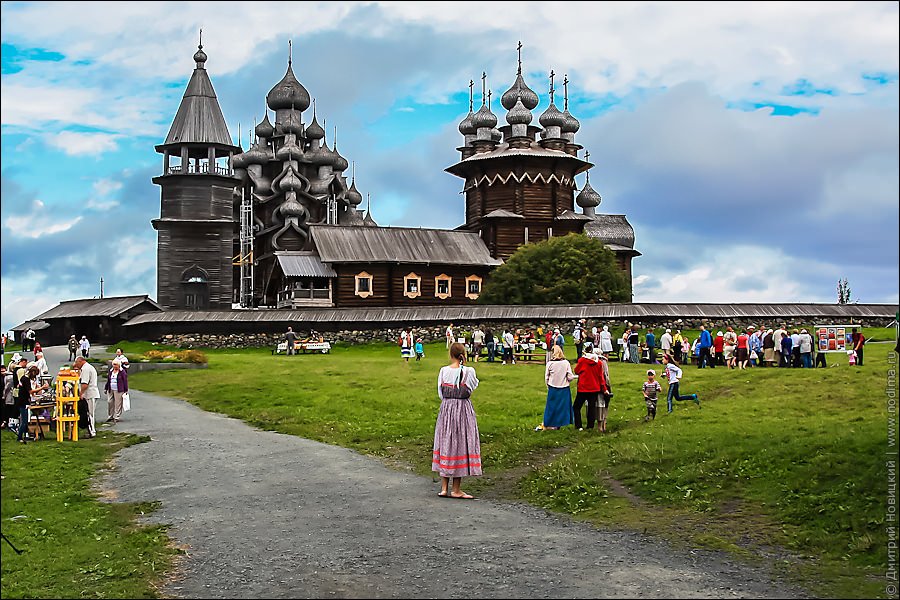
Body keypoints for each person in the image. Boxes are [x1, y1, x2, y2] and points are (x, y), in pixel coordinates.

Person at [432, 342, 481, 499]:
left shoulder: (443, 371)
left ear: (450, 354)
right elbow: (472, 388)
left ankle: (444, 488)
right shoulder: (469, 371)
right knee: (459, 444)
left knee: (446, 442)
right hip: (462, 410)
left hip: (446, 409)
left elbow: (440, 393)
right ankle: (456, 489)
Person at [538, 345, 576, 430]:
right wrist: (568, 380)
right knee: (563, 407)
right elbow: (570, 376)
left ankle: (549, 423)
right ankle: (560, 423)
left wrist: (548, 385)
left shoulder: (550, 364)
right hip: (564, 388)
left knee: (551, 407)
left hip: (553, 387)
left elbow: (546, 377)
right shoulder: (566, 363)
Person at [573, 342, 605, 431]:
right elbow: (600, 376)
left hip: (583, 387)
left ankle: (578, 425)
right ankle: (590, 425)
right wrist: (603, 388)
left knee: (576, 407)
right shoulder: (598, 362)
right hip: (594, 387)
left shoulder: (582, 361)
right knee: (592, 407)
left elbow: (576, 371)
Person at [17, 364, 49, 443]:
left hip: (22, 400)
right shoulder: (26, 380)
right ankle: (20, 437)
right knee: (24, 421)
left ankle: (25, 435)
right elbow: (30, 391)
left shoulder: (23, 378)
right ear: (33, 372)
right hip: (23, 402)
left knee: (24, 420)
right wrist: (42, 388)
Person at [73, 356, 99, 438]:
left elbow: (85, 384)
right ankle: (90, 430)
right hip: (91, 393)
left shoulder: (85, 369)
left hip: (90, 394)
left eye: (76, 363)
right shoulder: (88, 367)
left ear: (80, 361)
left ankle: (92, 431)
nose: (76, 365)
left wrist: (80, 393)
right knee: (89, 413)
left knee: (89, 414)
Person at [104, 359, 129, 424]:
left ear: (119, 365)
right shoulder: (111, 371)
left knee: (118, 403)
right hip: (111, 388)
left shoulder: (122, 372)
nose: (114, 366)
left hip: (119, 389)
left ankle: (117, 416)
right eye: (113, 364)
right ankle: (110, 416)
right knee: (110, 402)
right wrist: (106, 388)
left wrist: (125, 390)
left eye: (116, 365)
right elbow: (108, 380)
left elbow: (125, 381)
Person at [2, 364, 15, 429]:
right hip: (9, 396)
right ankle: (7, 422)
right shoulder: (10, 377)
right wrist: (4, 396)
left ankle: (7, 422)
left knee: (8, 409)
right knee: (8, 410)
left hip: (9, 396)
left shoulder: (8, 376)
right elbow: (7, 387)